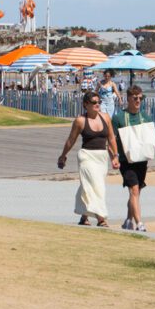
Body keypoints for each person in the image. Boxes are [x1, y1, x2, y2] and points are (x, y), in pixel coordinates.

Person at [112, 85, 155, 232]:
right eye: (135, 98)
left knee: (136, 193)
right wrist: (114, 156)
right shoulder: (119, 118)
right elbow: (111, 140)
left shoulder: (145, 117)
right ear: (128, 99)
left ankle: (128, 220)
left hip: (142, 159)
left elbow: (154, 136)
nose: (138, 100)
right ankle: (139, 223)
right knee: (134, 190)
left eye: (140, 98)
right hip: (126, 161)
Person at [58, 91, 119, 227]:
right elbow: (71, 140)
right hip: (86, 156)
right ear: (86, 104)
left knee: (88, 186)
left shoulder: (106, 117)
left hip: (101, 157)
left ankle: (84, 215)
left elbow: (111, 138)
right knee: (97, 186)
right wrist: (63, 156)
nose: (97, 104)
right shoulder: (80, 120)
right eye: (94, 102)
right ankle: (101, 218)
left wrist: (115, 156)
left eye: (99, 102)